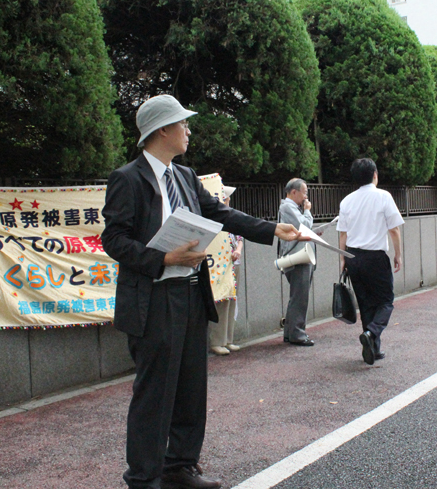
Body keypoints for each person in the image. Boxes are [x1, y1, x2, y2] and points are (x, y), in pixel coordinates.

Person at [101, 94, 304, 489]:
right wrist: (161, 258)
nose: (188, 131)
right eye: (183, 124)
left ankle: (180, 466)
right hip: (153, 299)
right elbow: (114, 239)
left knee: (191, 386)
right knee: (154, 391)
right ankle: (143, 478)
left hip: (192, 293)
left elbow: (220, 213)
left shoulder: (185, 176)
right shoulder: (127, 178)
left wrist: (269, 228)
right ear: (162, 130)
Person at [337, 158, 403, 365]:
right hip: (375, 257)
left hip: (354, 257)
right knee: (385, 301)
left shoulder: (346, 201)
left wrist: (343, 259)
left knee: (365, 303)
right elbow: (394, 229)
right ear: (374, 174)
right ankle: (372, 333)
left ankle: (373, 348)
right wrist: (398, 255)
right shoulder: (383, 196)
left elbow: (342, 234)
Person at [278, 178, 315, 347]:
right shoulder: (288, 207)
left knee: (297, 296)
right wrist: (307, 211)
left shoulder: (290, 208)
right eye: (304, 192)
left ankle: (291, 333)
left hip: (299, 255)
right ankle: (297, 334)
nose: (306, 196)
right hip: (298, 257)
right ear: (294, 192)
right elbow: (304, 225)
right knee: (300, 297)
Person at [209, 185, 244, 356]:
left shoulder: (229, 216)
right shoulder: (215, 217)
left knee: (232, 300)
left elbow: (240, 237)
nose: (228, 199)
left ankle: (228, 339)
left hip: (233, 263)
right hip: (221, 265)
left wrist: (238, 250)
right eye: (225, 197)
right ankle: (218, 340)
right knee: (222, 301)